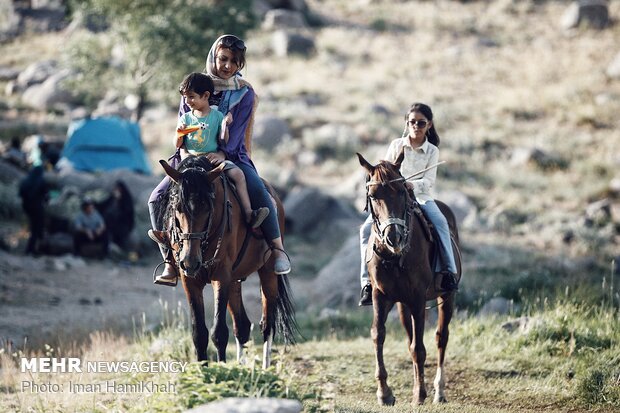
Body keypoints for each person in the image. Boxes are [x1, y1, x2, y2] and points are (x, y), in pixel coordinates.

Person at [148, 56, 287, 285]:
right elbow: (180, 139)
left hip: (225, 155)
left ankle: (275, 245)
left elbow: (232, 134)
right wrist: (183, 152)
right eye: (223, 59)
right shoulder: (193, 90)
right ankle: (168, 258)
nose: (227, 65)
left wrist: (223, 150)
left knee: (255, 187)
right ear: (213, 57)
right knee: (156, 198)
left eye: (234, 61)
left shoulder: (243, 92)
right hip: (187, 160)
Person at [359, 102, 458, 306]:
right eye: (412, 122)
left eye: (421, 123)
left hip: (420, 195)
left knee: (440, 221)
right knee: (365, 229)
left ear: (429, 125)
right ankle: (367, 283)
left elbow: (429, 181)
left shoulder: (432, 151)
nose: (416, 126)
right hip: (395, 198)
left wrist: (412, 184)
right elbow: (384, 171)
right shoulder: (396, 145)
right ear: (407, 123)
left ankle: (448, 271)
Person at [18, 165, 48, 255]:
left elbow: (21, 194)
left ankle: (32, 249)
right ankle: (31, 250)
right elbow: (46, 196)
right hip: (37, 208)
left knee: (33, 228)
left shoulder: (26, 181)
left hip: (27, 207)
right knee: (36, 229)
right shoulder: (41, 181)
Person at [97, 180, 135, 249]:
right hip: (111, 221)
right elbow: (103, 205)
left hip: (123, 223)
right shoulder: (112, 197)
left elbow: (127, 213)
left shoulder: (126, 199)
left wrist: (120, 201)